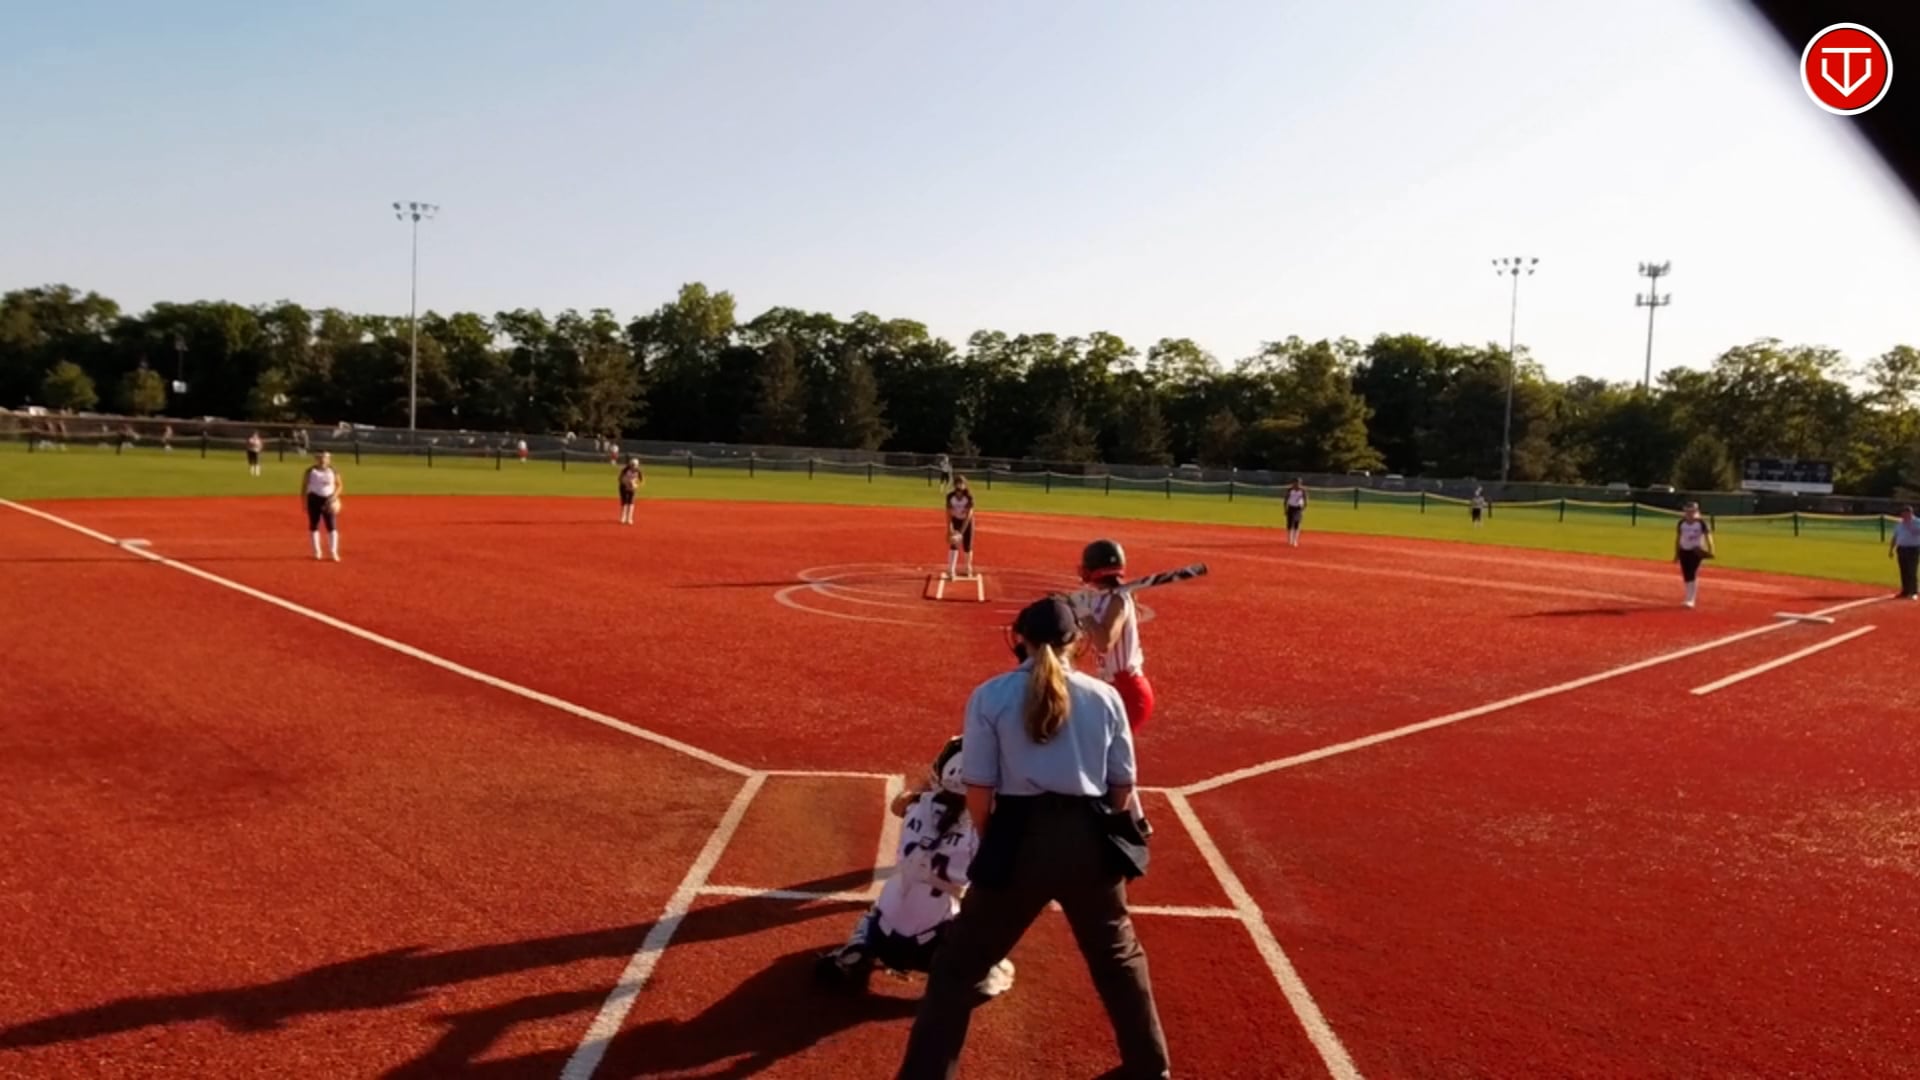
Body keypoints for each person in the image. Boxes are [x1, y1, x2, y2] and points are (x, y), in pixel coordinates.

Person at [897, 596, 1169, 1080]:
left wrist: (995, 844)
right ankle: (1150, 1070)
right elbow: (1121, 787)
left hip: (1018, 833)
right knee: (1119, 959)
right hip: (1090, 835)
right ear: (1075, 642)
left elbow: (979, 788)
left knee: (958, 968)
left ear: (1019, 638)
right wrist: (1100, 839)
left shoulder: (990, 695)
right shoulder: (1105, 697)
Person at [816, 736, 1014, 998]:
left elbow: (901, 803)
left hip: (883, 938)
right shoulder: (983, 828)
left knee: (882, 905)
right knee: (989, 911)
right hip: (930, 949)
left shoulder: (917, 804)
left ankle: (859, 945)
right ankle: (972, 972)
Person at [1074, 540, 1155, 734]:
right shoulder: (1102, 597)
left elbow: (1105, 643)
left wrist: (1084, 613)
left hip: (1128, 691)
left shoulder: (1118, 600)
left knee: (1101, 745)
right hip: (1111, 687)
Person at [301, 450, 344, 563]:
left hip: (328, 500)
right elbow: (304, 486)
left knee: (332, 526)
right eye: (320, 457)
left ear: (329, 459)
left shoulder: (333, 470)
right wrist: (304, 502)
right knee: (314, 525)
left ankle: (333, 552)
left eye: (325, 457)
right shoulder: (310, 471)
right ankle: (317, 551)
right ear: (316, 459)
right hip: (314, 499)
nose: (322, 460)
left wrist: (334, 497)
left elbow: (339, 485)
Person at [1674, 501, 1715, 608]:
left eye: (1692, 511)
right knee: (1686, 574)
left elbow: (1708, 536)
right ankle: (1688, 597)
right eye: (1688, 511)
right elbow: (1678, 538)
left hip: (1696, 551)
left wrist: (1711, 549)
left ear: (1696, 511)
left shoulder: (1701, 523)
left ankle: (1691, 599)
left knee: (1692, 573)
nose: (1690, 514)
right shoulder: (1681, 523)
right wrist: (1676, 553)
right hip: (1684, 550)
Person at [944, 476, 976, 580]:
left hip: (967, 522)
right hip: (955, 520)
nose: (959, 487)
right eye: (957, 484)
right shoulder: (950, 497)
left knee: (967, 546)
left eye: (961, 484)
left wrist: (961, 533)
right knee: (954, 543)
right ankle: (951, 570)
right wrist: (949, 529)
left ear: (965, 486)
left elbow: (969, 516)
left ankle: (967, 568)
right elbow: (948, 513)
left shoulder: (969, 497)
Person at [1890, 505, 1920, 600]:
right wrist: (1891, 549)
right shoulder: (1899, 523)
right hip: (1901, 549)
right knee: (1903, 570)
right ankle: (1905, 590)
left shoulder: (1917, 522)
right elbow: (1895, 536)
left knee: (1912, 571)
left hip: (1913, 549)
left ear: (1910, 513)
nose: (1903, 515)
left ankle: (1913, 591)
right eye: (1902, 513)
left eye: (1905, 513)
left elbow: (1917, 532)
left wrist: (1909, 524)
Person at [617, 456, 645, 525]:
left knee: (631, 502)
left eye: (634, 465)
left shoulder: (638, 471)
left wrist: (636, 485)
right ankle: (623, 517)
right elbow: (619, 478)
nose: (632, 466)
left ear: (637, 465)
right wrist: (626, 483)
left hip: (632, 488)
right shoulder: (625, 469)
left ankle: (629, 518)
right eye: (632, 464)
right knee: (624, 502)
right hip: (623, 487)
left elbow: (642, 481)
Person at [1283, 479, 1308, 547]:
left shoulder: (1302, 490)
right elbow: (1286, 499)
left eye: (1298, 483)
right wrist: (1285, 509)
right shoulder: (1290, 490)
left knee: (1297, 523)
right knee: (1290, 523)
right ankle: (1289, 539)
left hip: (1298, 508)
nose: (1296, 485)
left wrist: (1304, 509)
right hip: (1291, 507)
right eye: (1295, 483)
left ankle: (1295, 540)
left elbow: (1305, 500)